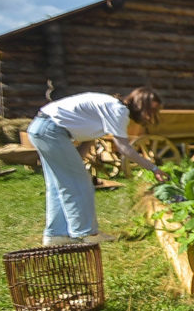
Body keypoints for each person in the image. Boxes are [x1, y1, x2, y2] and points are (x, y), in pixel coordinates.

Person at [28, 87, 170, 245]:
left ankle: (56, 235)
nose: (151, 116)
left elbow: (89, 138)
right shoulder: (119, 110)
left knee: (58, 185)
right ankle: (87, 233)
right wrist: (154, 168)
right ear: (142, 105)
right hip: (51, 130)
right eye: (152, 110)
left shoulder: (110, 106)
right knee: (79, 183)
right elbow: (124, 148)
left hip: (40, 127)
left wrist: (76, 163)